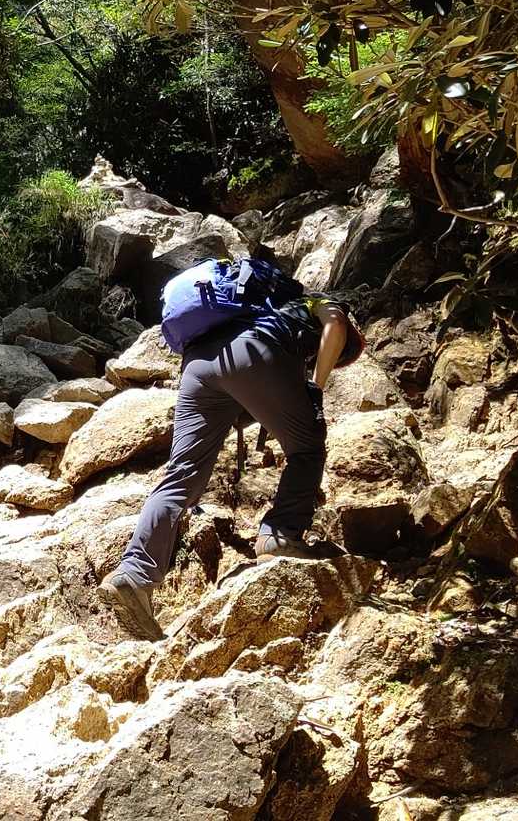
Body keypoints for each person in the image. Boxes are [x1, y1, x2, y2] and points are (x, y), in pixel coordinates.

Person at [98, 260, 361, 641]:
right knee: (307, 448)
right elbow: (334, 326)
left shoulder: (253, 305)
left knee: (181, 475)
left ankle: (134, 575)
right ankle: (281, 535)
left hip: (197, 364)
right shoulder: (316, 303)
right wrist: (315, 387)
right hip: (253, 350)